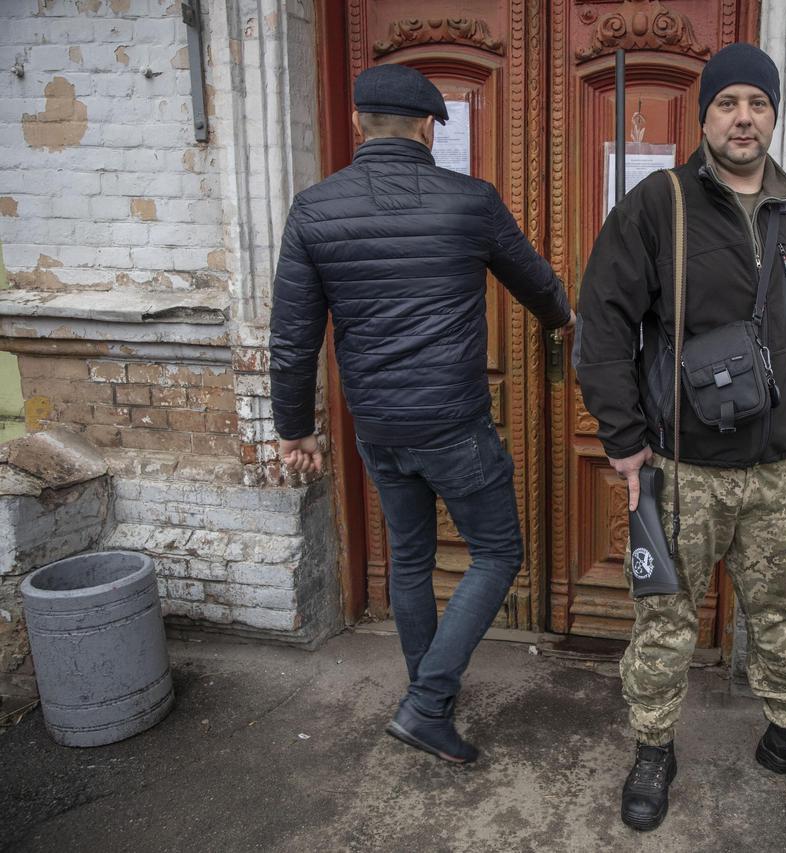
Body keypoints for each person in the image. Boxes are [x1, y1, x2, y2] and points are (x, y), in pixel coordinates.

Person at [574, 43, 786, 830]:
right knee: (666, 615)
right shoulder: (658, 204)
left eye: (757, 103)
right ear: (704, 115)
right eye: (728, 103)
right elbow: (601, 326)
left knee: (779, 608)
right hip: (682, 464)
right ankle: (654, 746)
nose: (743, 117)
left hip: (774, 467)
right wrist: (625, 440)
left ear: (773, 114)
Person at [269, 63, 572, 764]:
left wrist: (294, 428)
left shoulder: (314, 209)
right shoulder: (469, 202)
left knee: (410, 555)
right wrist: (562, 317)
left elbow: (291, 337)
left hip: (377, 424)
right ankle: (427, 703)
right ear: (430, 128)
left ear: (357, 124)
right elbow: (538, 283)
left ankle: (424, 695)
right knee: (498, 552)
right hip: (453, 421)